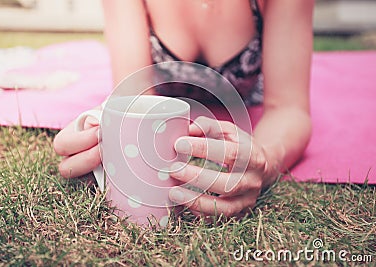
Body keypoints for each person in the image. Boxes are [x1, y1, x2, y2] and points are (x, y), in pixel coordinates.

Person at [54, 0, 314, 218]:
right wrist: (97, 133)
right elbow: (133, 94)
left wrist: (265, 158)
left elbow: (287, 108)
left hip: (247, 100)